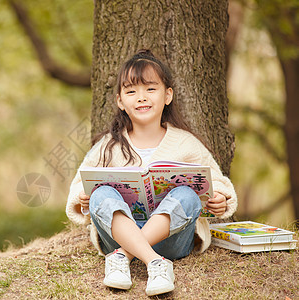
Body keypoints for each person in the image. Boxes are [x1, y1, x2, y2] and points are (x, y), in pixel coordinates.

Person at [65, 49, 237, 296]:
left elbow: (218, 183)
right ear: (120, 101)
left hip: (172, 240)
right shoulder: (108, 145)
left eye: (150, 89)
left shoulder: (186, 143)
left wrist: (220, 199)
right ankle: (154, 263)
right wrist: (84, 198)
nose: (141, 98)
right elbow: (78, 186)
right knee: (100, 194)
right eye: (131, 91)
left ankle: (124, 257)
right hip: (119, 234)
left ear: (168, 95)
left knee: (187, 195)